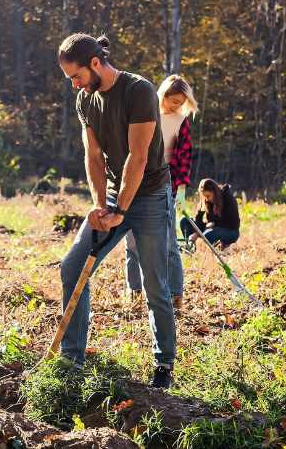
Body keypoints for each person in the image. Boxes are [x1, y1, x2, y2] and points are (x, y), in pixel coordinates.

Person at [57, 33, 177, 388]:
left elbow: (138, 158)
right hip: (113, 195)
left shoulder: (139, 91)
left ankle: (163, 364)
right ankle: (72, 360)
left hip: (150, 195)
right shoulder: (85, 99)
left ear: (95, 63)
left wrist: (121, 209)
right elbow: (93, 156)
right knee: (72, 267)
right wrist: (100, 205)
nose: (75, 84)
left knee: (154, 282)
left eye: (77, 76)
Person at [124, 75, 198, 309]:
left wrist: (181, 192)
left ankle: (175, 294)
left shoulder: (181, 121)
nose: (176, 106)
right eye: (173, 100)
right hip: (136, 182)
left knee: (168, 244)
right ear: (163, 95)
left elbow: (184, 158)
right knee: (132, 243)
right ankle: (134, 291)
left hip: (165, 187)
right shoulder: (146, 114)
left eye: (180, 102)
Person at [181, 178, 240, 248]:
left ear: (214, 192)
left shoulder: (227, 198)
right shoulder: (206, 200)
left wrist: (214, 224)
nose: (207, 199)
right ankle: (190, 247)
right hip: (211, 227)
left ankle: (222, 247)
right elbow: (198, 218)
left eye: (208, 196)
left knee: (208, 235)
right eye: (204, 197)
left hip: (230, 231)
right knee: (185, 221)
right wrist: (196, 232)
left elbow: (233, 223)